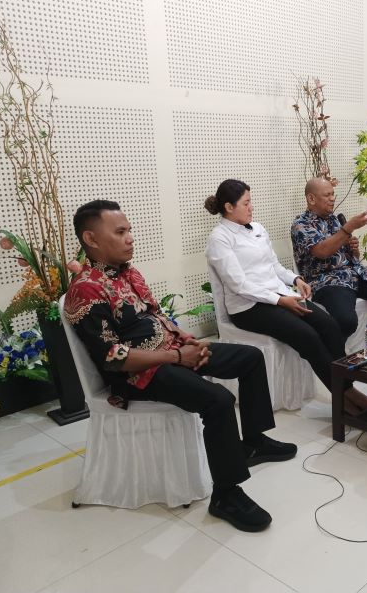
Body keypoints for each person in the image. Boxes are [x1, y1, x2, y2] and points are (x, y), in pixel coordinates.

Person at [65, 199, 297, 533]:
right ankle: (226, 495)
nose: (130, 237)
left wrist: (186, 340)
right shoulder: (86, 290)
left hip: (171, 354)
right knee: (217, 400)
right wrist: (177, 357)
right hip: (138, 375)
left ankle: (254, 443)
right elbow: (112, 357)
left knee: (249, 357)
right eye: (120, 231)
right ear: (91, 239)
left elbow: (156, 315)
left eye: (129, 229)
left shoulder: (129, 273)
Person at [204, 179, 367, 415]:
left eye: (250, 201)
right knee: (307, 336)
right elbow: (239, 285)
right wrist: (279, 300)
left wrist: (295, 280)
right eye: (246, 203)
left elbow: (273, 266)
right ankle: (345, 397)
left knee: (329, 325)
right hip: (248, 307)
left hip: (278, 295)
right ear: (229, 207)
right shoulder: (219, 239)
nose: (251, 207)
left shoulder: (257, 228)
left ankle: (347, 389)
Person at [291, 177, 367, 340]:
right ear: (311, 198)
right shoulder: (301, 225)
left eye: (333, 194)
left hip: (357, 273)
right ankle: (336, 360)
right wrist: (348, 228)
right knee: (346, 321)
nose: (332, 199)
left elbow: (351, 256)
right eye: (327, 195)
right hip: (327, 280)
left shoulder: (334, 219)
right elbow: (322, 251)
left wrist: (354, 250)